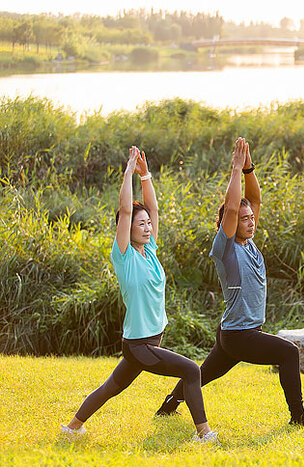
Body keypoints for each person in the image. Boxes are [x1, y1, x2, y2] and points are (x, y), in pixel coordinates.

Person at [156, 137, 304, 427]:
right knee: (288, 352)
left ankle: (170, 403)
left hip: (234, 332)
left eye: (252, 218)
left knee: (203, 373)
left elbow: (254, 200)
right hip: (239, 335)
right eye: (244, 219)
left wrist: (248, 167)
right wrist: (234, 169)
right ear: (227, 226)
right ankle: (298, 417)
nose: (251, 221)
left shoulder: (249, 243)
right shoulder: (226, 248)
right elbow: (231, 208)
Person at [61, 146, 217, 443]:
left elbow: (153, 209)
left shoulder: (150, 251)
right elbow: (124, 209)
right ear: (127, 228)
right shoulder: (124, 257)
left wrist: (146, 174)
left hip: (150, 339)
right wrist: (129, 170)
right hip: (139, 345)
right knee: (191, 371)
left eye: (148, 224)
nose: (147, 227)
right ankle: (204, 433)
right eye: (140, 223)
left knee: (111, 387)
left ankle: (72, 428)